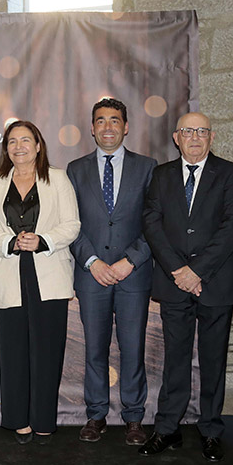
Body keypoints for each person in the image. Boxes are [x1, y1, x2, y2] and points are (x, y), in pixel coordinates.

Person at [140, 112, 233, 462]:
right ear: (176, 137)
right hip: (173, 283)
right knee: (176, 359)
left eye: (202, 131)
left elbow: (231, 227)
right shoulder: (161, 175)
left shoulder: (230, 174)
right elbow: (151, 224)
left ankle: (211, 429)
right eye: (188, 131)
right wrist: (178, 270)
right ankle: (167, 428)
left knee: (214, 360)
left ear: (211, 137)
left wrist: (196, 272)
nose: (195, 137)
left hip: (215, 282)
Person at [0, 120, 80, 444]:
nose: (19, 146)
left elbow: (72, 225)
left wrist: (43, 240)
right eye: (12, 141)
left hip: (48, 275)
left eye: (26, 140)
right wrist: (10, 242)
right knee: (14, 352)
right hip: (9, 273)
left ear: (38, 145)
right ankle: (18, 419)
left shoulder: (58, 178)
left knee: (47, 352)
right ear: (6, 148)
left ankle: (43, 419)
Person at [67, 98, 156, 445]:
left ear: (126, 126)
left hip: (134, 274)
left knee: (132, 348)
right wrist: (92, 262)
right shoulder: (74, 170)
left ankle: (134, 418)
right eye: (101, 121)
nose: (108, 127)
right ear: (92, 128)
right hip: (92, 275)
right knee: (94, 349)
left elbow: (155, 223)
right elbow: (70, 224)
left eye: (115, 120)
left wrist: (129, 261)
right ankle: (96, 415)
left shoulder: (148, 168)